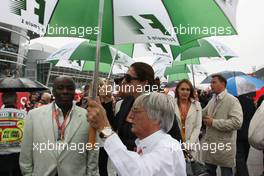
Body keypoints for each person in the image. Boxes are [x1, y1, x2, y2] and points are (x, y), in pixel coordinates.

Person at [87, 92, 186, 176]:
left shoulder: (168, 148)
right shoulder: (149, 144)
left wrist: (104, 129)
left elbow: (137, 171)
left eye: (136, 111)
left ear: (156, 118)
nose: (130, 116)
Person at [19, 76, 98, 176]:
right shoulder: (34, 115)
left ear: (74, 92)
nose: (65, 91)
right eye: (60, 88)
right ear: (53, 91)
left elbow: (92, 152)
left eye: (69, 88)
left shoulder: (88, 117)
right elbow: (26, 151)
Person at [202, 74, 243, 176]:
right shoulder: (212, 99)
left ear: (223, 84)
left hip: (224, 147)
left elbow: (237, 122)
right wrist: (192, 103)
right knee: (209, 172)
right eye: (211, 82)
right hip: (210, 147)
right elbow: (202, 113)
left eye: (214, 82)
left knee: (226, 173)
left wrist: (214, 122)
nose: (211, 84)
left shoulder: (232, 100)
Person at [174, 79, 202, 159]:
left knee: (192, 169)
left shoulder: (196, 105)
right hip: (175, 145)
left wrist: (189, 144)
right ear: (178, 90)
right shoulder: (171, 104)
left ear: (190, 91)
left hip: (192, 145)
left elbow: (198, 126)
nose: (185, 92)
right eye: (182, 89)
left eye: (188, 89)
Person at [0, 92, 25, 176]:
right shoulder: (25, 115)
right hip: (19, 157)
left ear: (2, 100)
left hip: (1, 156)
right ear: (16, 100)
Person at [235, 94, 256, 176]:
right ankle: (239, 172)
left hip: (238, 132)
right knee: (245, 154)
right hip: (248, 132)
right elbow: (253, 116)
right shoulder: (250, 101)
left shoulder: (234, 101)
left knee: (239, 157)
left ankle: (242, 172)